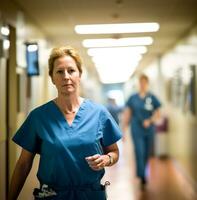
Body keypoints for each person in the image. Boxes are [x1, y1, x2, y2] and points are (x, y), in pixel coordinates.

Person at [9, 46, 122, 200]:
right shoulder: (38, 117)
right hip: (52, 195)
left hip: (90, 195)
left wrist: (107, 159)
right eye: (60, 71)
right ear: (52, 78)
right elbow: (23, 165)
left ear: (80, 75)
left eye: (71, 70)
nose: (66, 76)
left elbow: (114, 152)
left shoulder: (99, 113)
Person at [122, 74, 161, 189]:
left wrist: (150, 120)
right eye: (141, 82)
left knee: (147, 153)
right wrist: (123, 131)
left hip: (149, 129)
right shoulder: (132, 98)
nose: (142, 84)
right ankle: (142, 176)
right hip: (136, 129)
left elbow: (158, 114)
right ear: (139, 84)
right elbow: (127, 114)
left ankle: (143, 172)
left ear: (147, 83)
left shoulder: (152, 97)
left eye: (144, 82)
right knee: (139, 152)